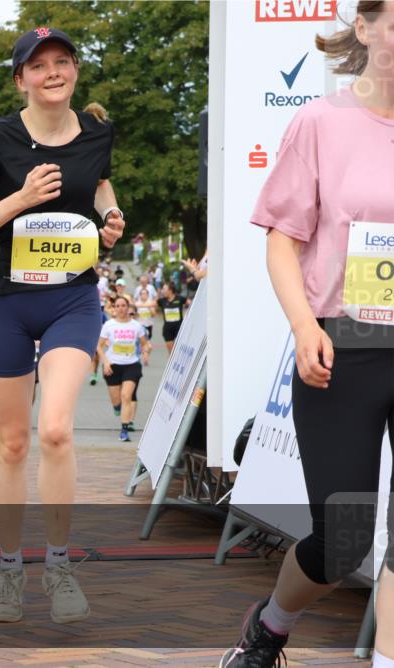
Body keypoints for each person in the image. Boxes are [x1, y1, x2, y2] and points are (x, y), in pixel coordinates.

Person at [221, 3, 394, 666]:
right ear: (368, 27)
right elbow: (283, 240)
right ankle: (270, 626)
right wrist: (302, 326)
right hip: (341, 349)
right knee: (342, 540)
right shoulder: (321, 122)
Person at [0, 27, 125, 625]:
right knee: (12, 441)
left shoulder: (98, 131)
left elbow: (97, 184)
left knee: (54, 430)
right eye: (39, 65)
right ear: (20, 77)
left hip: (71, 299)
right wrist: (21, 198)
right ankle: (8, 570)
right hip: (4, 299)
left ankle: (58, 565)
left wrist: (109, 215)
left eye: (63, 62)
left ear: (75, 70)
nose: (53, 72)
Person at [97, 296, 149, 442]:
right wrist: (106, 362)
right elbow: (99, 346)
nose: (120, 308)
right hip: (112, 365)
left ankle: (124, 430)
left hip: (131, 364)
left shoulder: (136, 326)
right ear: (114, 309)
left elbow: (144, 343)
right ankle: (118, 409)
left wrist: (145, 353)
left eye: (123, 305)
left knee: (126, 396)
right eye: (117, 306)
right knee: (117, 401)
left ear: (128, 307)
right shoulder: (109, 325)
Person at [156, 281, 185, 353]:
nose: (162, 291)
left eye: (164, 289)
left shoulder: (180, 298)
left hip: (180, 329)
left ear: (170, 290)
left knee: (180, 352)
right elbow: (149, 304)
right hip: (167, 330)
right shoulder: (161, 301)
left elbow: (192, 304)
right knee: (172, 353)